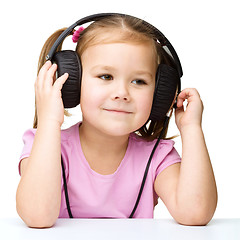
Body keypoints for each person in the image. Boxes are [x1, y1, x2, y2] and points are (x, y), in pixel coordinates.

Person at [16, 14, 217, 228]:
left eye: (139, 81)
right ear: (72, 83)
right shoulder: (45, 144)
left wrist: (192, 129)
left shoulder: (157, 157)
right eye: (106, 77)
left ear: (160, 93)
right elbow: (36, 216)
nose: (122, 93)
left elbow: (195, 213)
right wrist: (48, 121)